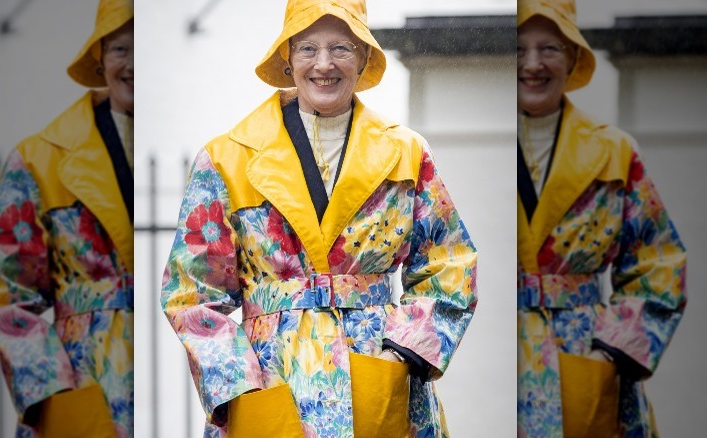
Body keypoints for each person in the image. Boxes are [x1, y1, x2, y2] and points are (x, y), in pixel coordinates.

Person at [160, 0, 477, 436]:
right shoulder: (225, 158)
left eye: (341, 48)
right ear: (287, 57)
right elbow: (190, 294)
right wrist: (241, 388)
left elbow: (450, 262)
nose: (323, 64)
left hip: (380, 377)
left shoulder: (407, 153)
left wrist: (401, 355)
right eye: (308, 48)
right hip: (270, 382)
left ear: (364, 57)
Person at [516, 0, 687, 436]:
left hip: (586, 352)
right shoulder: (471, 156)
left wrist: (608, 354)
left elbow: (658, 262)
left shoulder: (615, 152)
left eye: (549, 48)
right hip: (501, 349)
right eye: (517, 49)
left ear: (572, 56)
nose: (532, 64)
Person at [0, 0, 133, 436]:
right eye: (121, 48)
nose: (135, 64)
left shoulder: (210, 158)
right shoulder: (39, 159)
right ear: (99, 58)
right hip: (84, 385)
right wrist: (53, 392)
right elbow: (1, 295)